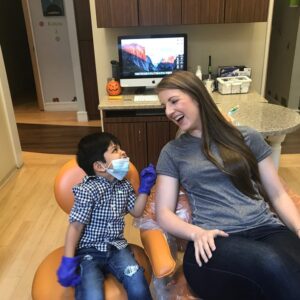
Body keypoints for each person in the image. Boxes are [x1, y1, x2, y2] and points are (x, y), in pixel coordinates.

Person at [154, 70, 300, 300]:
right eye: (164, 106)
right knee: (270, 263)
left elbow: (277, 193)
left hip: (266, 229)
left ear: (197, 95)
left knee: (284, 268)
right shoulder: (172, 152)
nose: (169, 112)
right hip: (214, 242)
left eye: (173, 101)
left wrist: (299, 228)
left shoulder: (247, 137)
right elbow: (163, 213)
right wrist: (196, 233)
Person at [56, 132, 155, 300]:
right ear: (99, 166)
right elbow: (75, 226)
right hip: (88, 252)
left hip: (117, 248)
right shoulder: (87, 190)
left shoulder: (124, 186)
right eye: (115, 149)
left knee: (137, 282)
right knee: (92, 294)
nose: (123, 152)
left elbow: (136, 212)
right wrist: (68, 259)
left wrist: (144, 188)